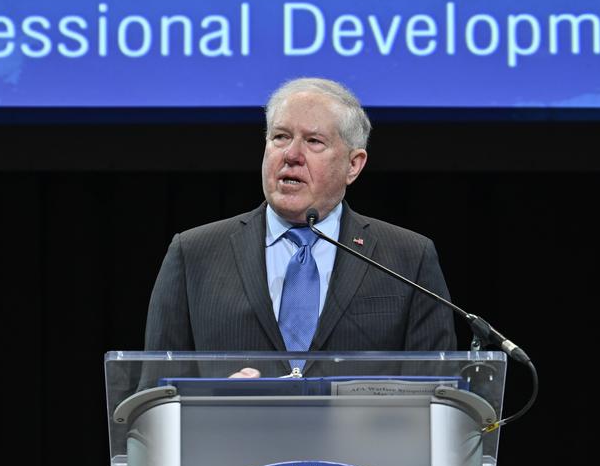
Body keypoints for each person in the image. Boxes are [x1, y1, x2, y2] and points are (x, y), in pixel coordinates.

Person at [143, 77, 456, 380]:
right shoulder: (194, 253)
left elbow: (437, 397)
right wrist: (219, 401)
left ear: (353, 165)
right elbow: (156, 396)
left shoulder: (408, 258)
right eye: (280, 137)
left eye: (313, 141)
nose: (290, 155)